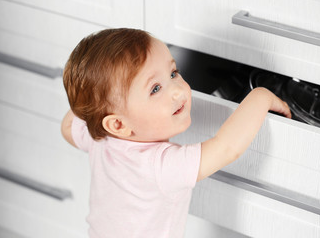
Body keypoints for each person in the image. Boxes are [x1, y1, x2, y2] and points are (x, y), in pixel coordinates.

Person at [61, 28, 291, 238]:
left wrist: (93, 99)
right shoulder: (160, 165)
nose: (177, 90)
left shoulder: (99, 139)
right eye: (155, 89)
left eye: (173, 73)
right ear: (118, 126)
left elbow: (67, 127)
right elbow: (226, 147)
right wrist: (260, 96)